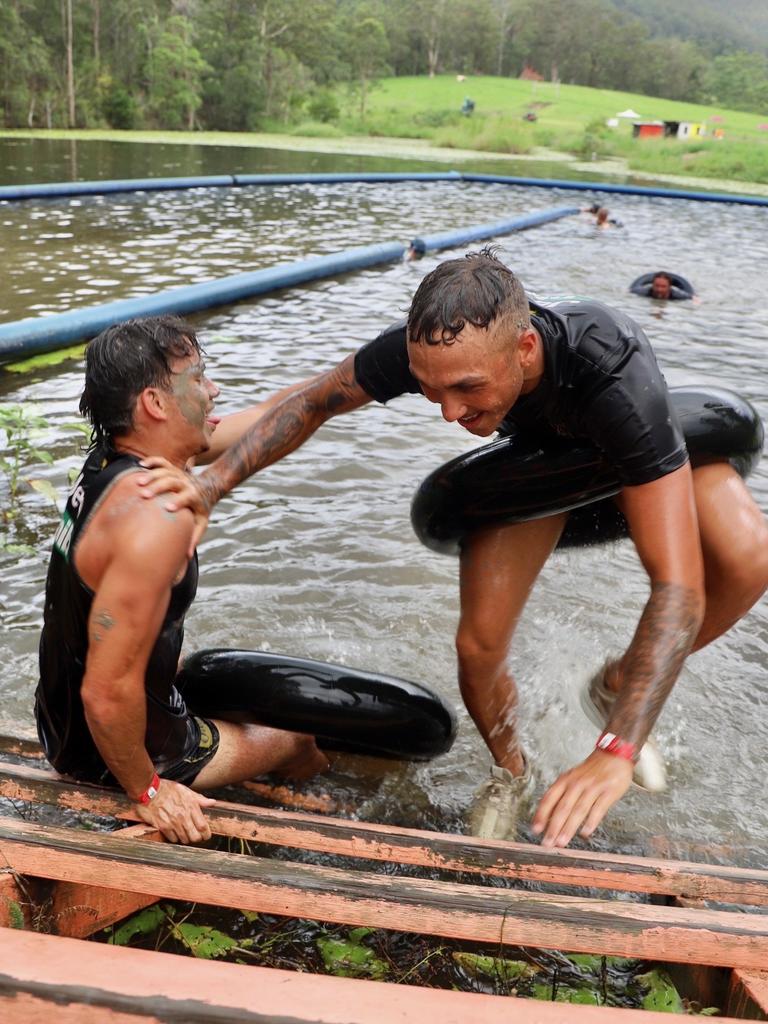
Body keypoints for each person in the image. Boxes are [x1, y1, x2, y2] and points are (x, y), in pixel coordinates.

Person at [137, 251, 768, 849]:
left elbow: (678, 587)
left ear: (524, 349)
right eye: (432, 391)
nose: (449, 413)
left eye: (467, 389)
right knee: (478, 647)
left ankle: (617, 682)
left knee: (749, 555)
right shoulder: (431, 347)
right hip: (534, 478)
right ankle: (512, 771)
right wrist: (209, 484)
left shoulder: (612, 370)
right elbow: (312, 403)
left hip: (629, 462)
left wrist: (617, 750)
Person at [35, 316, 328, 845]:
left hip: (61, 727)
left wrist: (361, 378)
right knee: (298, 734)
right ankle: (318, 795)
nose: (213, 390)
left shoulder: (115, 463)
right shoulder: (155, 516)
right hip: (116, 754)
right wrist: (148, 790)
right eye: (198, 377)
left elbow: (268, 416)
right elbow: (105, 693)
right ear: (155, 402)